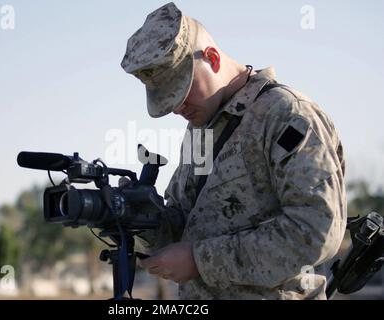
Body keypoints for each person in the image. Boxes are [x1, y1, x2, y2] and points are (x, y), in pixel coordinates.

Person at [120, 2, 347, 299]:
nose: (176, 107)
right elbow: (183, 227)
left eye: (182, 90)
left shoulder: (287, 115)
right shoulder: (200, 131)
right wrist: (139, 217)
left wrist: (200, 261)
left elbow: (315, 231)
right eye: (168, 99)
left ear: (212, 58)